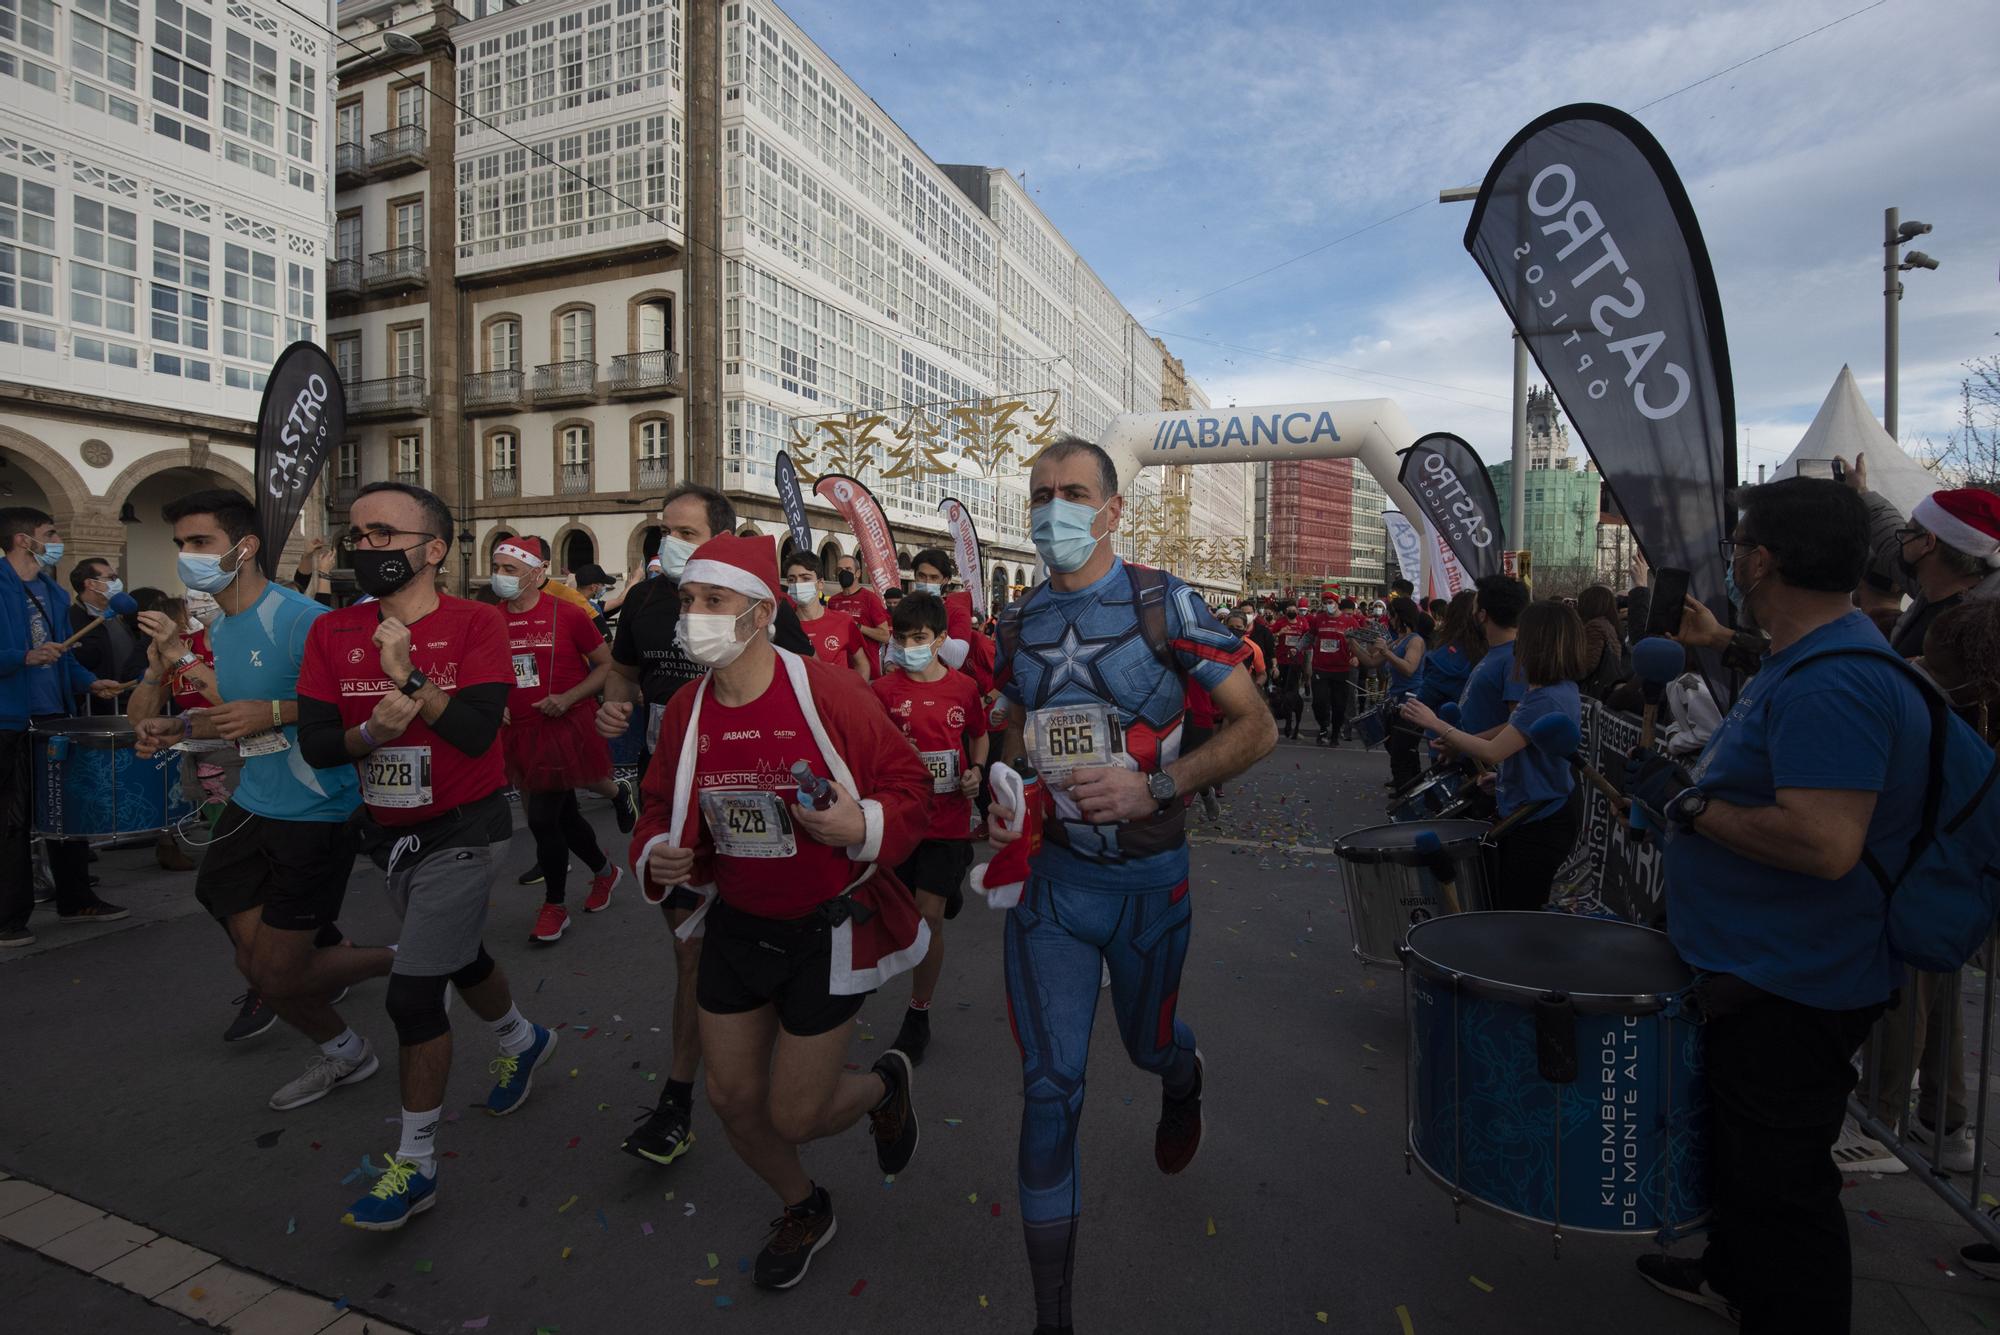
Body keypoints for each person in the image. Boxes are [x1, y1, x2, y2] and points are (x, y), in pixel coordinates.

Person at [987, 437, 1275, 1335]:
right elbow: (1009, 725)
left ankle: (1180, 1076)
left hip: (1150, 882)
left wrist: (1157, 783)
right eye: (1040, 494)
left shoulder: (1165, 602)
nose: (1053, 510)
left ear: (1112, 510)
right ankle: (1053, 1319)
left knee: (1148, 1047)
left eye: (1073, 493)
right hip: (1056, 890)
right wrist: (1001, 790)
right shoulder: (1016, 622)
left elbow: (1256, 726)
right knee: (1050, 1088)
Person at [1626, 477, 1921, 1334]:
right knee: (1749, 1164)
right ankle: (1733, 1273)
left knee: (1783, 1182)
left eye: (1740, 542)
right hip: (1760, 965)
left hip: (1796, 981)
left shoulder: (1834, 685)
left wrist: (1691, 807)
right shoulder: (1805, 656)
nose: (1732, 556)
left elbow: (1825, 842)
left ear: (1761, 560)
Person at [627, 533, 927, 1290]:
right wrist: (657, 852)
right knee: (730, 1098)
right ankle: (805, 1203)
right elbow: (661, 804)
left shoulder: (827, 690)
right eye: (688, 601)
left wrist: (862, 825)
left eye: (712, 601)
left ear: (760, 613)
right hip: (736, 921)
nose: (691, 616)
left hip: (826, 926)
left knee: (795, 1112)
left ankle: (882, 1086)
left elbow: (909, 783)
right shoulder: (686, 711)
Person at [296, 481, 556, 1231]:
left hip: (466, 831)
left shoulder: (476, 622)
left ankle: (415, 1165)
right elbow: (318, 743)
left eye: (383, 534)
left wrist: (410, 674)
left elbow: (479, 733)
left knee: (414, 994)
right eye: (358, 535)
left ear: (433, 550)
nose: (365, 547)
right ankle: (521, 1036)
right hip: (389, 834)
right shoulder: (332, 632)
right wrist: (370, 736)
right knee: (458, 955)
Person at [128, 489, 390, 1109]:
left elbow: (364, 704)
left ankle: (415, 958)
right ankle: (346, 1053)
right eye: (181, 546)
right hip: (254, 803)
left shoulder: (301, 618)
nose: (186, 558)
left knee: (276, 973)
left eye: (200, 544)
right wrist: (183, 727)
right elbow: (238, 719)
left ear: (243, 548)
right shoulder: (222, 625)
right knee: (255, 964)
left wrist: (275, 708)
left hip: (315, 810)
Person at [597, 483, 811, 1170]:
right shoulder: (649, 602)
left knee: (751, 941)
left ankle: (778, 1043)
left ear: (720, 536)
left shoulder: (757, 601)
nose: (668, 544)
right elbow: (622, 676)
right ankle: (680, 1097)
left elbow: (811, 690)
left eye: (683, 530)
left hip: (763, 804)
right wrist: (614, 710)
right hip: (680, 801)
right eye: (663, 530)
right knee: (690, 949)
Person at [490, 537, 634, 945]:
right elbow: (483, 674)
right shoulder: (488, 619)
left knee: (541, 819)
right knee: (565, 817)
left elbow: (607, 666)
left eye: (509, 570)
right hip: (517, 733)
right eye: (496, 568)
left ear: (537, 574)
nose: (499, 577)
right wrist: (493, 701)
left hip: (563, 728)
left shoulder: (568, 615)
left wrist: (568, 698)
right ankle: (606, 872)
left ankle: (555, 906)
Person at [1401, 600, 1584, 910]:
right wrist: (1503, 779)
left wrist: (1436, 724)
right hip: (1537, 808)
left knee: (1515, 913)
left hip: (1542, 820)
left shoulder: (1547, 698)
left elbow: (1492, 750)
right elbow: (1529, 752)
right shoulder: (1552, 689)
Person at [869, 589, 986, 1064]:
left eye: (918, 637)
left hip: (948, 820)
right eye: (901, 637)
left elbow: (977, 735)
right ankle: (951, 880)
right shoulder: (881, 691)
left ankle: (919, 1012)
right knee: (900, 916)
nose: (907, 645)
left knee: (928, 916)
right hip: (901, 821)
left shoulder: (963, 689)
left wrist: (976, 771)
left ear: (939, 639)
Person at [1, 507, 126, 947]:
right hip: (8, 720)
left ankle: (77, 900)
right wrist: (22, 657)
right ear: (22, 540)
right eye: (48, 533)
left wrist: (92, 682)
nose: (55, 540)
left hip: (55, 715)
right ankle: (9, 918)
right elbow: (30, 654)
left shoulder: (52, 593)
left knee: (67, 811)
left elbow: (64, 656)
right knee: (12, 822)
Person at [1850, 461, 2000, 658]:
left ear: (1928, 543)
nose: (1901, 537)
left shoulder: (1985, 629)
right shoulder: (1933, 588)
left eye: (1907, 531)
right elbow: (1888, 540)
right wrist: (1861, 492)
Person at [1358, 597, 1427, 789]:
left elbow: (1409, 668)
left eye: (1392, 615)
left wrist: (1387, 652)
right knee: (1395, 744)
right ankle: (1408, 780)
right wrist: (1352, 644)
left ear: (1400, 616)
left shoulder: (1415, 641)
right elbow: (1372, 661)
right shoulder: (1398, 640)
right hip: (1395, 699)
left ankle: (1405, 785)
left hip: (1410, 699)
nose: (1389, 619)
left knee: (1401, 747)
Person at [66, 556, 146, 711]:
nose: (117, 582)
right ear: (90, 583)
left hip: (127, 700)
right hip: (95, 705)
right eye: (111, 578)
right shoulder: (71, 620)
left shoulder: (117, 616)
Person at [783, 553, 870, 680]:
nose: (797, 584)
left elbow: (862, 665)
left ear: (820, 583)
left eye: (805, 578)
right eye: (792, 579)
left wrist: (853, 696)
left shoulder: (843, 621)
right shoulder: (782, 626)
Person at [826, 551, 892, 675]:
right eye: (840, 569)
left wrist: (857, 627)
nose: (843, 572)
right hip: (841, 671)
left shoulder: (870, 598)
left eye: (848, 569)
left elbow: (885, 636)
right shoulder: (833, 601)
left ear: (858, 573)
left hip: (869, 672)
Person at [1303, 593, 1356, 746]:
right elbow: (1309, 637)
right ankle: (1323, 727)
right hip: (1321, 668)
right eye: (1325, 602)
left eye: (1330, 602)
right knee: (1319, 701)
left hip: (1341, 669)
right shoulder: (1318, 619)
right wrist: (1298, 648)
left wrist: (1357, 656)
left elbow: (1359, 641)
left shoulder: (1349, 621)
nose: (1328, 605)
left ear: (1337, 603)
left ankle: (1335, 733)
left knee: (1339, 704)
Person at [1576, 584, 1629, 700]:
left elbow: (1587, 664)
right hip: (1606, 686)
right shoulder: (1610, 625)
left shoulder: (1594, 626)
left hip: (1593, 691)